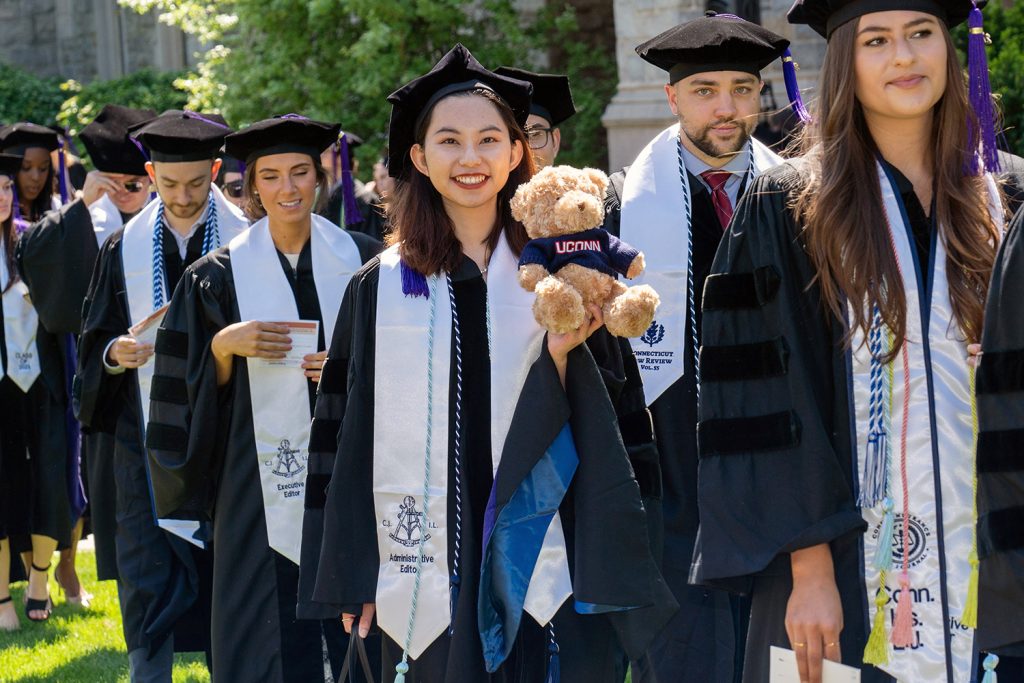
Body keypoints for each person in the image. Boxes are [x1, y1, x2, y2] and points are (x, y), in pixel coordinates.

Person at [298, 43, 675, 682]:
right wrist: (353, 569)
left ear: (514, 154)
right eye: (448, 141)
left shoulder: (566, 272)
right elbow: (345, 430)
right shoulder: (380, 286)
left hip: (553, 543)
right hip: (425, 549)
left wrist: (563, 358)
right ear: (418, 158)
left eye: (488, 140)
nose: (469, 159)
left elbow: (618, 420)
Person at [694, 2, 1024, 682]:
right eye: (877, 40)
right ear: (847, 62)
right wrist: (809, 567)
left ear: (952, 49)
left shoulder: (1006, 195)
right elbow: (763, 397)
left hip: (998, 563)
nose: (904, 57)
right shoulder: (788, 205)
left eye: (921, 34)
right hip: (838, 569)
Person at [145, 115, 381, 682]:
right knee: (263, 628)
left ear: (321, 178)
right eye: (271, 176)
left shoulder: (368, 263)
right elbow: (180, 394)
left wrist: (354, 369)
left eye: (301, 172)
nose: (288, 188)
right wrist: (223, 349)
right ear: (253, 187)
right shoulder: (214, 278)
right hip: (253, 480)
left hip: (355, 469)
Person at [599, 12, 793, 682]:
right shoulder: (620, 206)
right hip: (673, 483)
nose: (727, 106)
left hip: (783, 480)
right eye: (706, 90)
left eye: (743, 89)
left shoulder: (802, 198)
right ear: (673, 97)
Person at [74, 109, 247, 682]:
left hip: (224, 435)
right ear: (149, 172)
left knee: (229, 567)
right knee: (147, 570)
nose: (183, 196)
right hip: (141, 437)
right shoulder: (122, 247)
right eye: (169, 183)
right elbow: (94, 339)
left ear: (217, 171)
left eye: (198, 183)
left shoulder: (246, 242)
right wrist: (114, 353)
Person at [18, 104, 158, 603]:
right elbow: (30, 256)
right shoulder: (87, 217)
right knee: (89, 477)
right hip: (98, 375)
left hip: (165, 375)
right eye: (113, 181)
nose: (125, 193)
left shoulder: (170, 219)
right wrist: (81, 203)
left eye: (134, 183)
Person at [0, 148, 74, 624]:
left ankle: (41, 578)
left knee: (50, 478)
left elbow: (63, 301)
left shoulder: (30, 241)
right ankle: (2, 599)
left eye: (5, 187)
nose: (3, 196)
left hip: (41, 381)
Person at [495, 66, 576, 168]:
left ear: (555, 142)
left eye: (535, 134)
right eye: (513, 136)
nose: (527, 150)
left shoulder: (584, 183)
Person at [0, 122, 66, 222]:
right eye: (26, 168)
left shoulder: (57, 208)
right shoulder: (3, 214)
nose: (36, 177)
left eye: (43, 168)